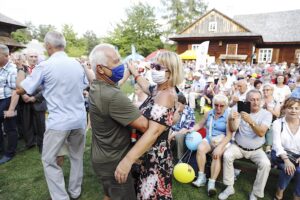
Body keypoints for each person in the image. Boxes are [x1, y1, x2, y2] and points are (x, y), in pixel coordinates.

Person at [16, 31, 87, 200]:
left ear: (48, 46)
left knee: (49, 160)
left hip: (59, 122)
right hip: (79, 119)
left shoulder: (45, 66)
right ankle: (75, 192)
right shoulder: (77, 64)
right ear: (63, 45)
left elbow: (22, 89)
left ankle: (61, 197)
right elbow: (84, 85)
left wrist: (19, 72)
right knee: (77, 157)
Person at [114, 51, 184, 199]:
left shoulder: (166, 95)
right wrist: (135, 72)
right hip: (147, 155)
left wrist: (128, 160)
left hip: (155, 159)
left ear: (170, 72)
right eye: (153, 65)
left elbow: (153, 133)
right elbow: (146, 86)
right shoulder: (158, 89)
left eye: (158, 67)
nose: (153, 70)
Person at [88, 43, 148, 200]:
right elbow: (143, 125)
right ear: (101, 69)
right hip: (114, 162)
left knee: (109, 194)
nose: (120, 65)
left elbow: (115, 86)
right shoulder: (112, 96)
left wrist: (129, 73)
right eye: (115, 62)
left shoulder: (97, 86)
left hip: (102, 157)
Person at [219, 90, 272, 200]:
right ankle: (229, 187)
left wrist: (251, 121)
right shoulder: (239, 108)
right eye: (252, 100)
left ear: (261, 101)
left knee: (265, 164)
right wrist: (233, 119)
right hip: (238, 146)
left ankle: (255, 193)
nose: (255, 102)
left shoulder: (266, 114)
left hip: (257, 150)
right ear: (246, 101)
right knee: (227, 155)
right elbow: (233, 129)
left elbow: (261, 133)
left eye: (258, 99)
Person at [190, 94, 232, 197]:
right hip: (210, 138)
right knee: (200, 148)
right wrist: (190, 130)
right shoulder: (209, 113)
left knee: (216, 154)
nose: (218, 108)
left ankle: (211, 183)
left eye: (221, 106)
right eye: (216, 105)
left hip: (223, 140)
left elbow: (229, 136)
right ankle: (201, 177)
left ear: (226, 106)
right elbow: (200, 124)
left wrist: (219, 147)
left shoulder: (228, 116)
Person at [17, 49, 46, 153]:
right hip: (24, 101)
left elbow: (46, 87)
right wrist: (24, 95)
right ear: (27, 58)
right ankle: (30, 143)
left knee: (41, 124)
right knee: (27, 123)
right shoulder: (21, 70)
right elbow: (18, 84)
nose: (33, 59)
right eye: (31, 57)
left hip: (38, 100)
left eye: (35, 57)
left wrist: (35, 97)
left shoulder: (42, 69)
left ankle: (42, 144)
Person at [271, 97, 300, 200]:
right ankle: (279, 194)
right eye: (290, 107)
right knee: (289, 169)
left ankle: (297, 196)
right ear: (284, 109)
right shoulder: (278, 123)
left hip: (297, 155)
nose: (293, 111)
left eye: (297, 108)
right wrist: (286, 160)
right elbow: (277, 144)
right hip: (280, 154)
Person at [0, 44, 19, 164]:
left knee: (10, 128)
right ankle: (2, 149)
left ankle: (10, 153)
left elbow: (15, 91)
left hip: (7, 101)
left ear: (5, 55)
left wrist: (11, 109)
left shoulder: (12, 69)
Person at [168, 93, 195, 160]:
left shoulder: (189, 111)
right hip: (174, 131)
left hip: (186, 132)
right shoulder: (174, 110)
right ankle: (168, 155)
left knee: (178, 136)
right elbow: (170, 125)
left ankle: (180, 158)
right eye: (175, 104)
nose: (176, 106)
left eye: (178, 104)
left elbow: (186, 128)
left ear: (184, 104)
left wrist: (172, 135)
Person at [262, 83, 281, 153]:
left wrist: (269, 109)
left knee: (272, 126)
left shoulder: (276, 101)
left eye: (267, 90)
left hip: (271, 120)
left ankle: (268, 146)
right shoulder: (259, 99)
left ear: (272, 91)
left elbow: (277, 115)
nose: (265, 91)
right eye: (263, 90)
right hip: (259, 119)